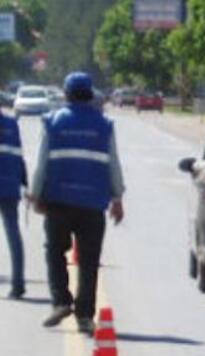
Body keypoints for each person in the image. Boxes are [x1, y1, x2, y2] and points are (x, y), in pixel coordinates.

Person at [29, 72, 125, 333]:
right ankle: (84, 316)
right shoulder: (105, 124)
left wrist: (35, 196)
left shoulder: (53, 122)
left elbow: (41, 164)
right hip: (93, 205)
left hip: (58, 201)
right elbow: (113, 165)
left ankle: (61, 301)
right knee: (89, 260)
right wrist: (117, 198)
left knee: (55, 252)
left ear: (67, 94)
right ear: (90, 94)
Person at [0, 107, 27, 299]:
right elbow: (18, 156)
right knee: (13, 234)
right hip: (9, 185)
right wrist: (24, 182)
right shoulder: (11, 124)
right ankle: (18, 284)